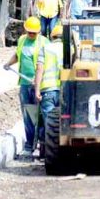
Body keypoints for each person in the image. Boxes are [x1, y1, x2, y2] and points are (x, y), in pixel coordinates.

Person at [3, 17, 48, 155]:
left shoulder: (44, 42)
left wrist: (38, 80)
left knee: (40, 115)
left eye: (34, 33)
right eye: (30, 32)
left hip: (38, 85)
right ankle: (29, 145)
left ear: (39, 31)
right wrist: (8, 63)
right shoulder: (22, 40)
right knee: (28, 115)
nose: (32, 35)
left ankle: (42, 145)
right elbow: (18, 55)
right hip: (24, 83)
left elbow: (47, 63)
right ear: (25, 30)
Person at [35, 24, 63, 157]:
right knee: (64, 122)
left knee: (49, 124)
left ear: (52, 37)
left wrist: (37, 90)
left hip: (48, 90)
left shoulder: (45, 48)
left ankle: (49, 152)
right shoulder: (71, 49)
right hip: (65, 90)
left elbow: (39, 69)